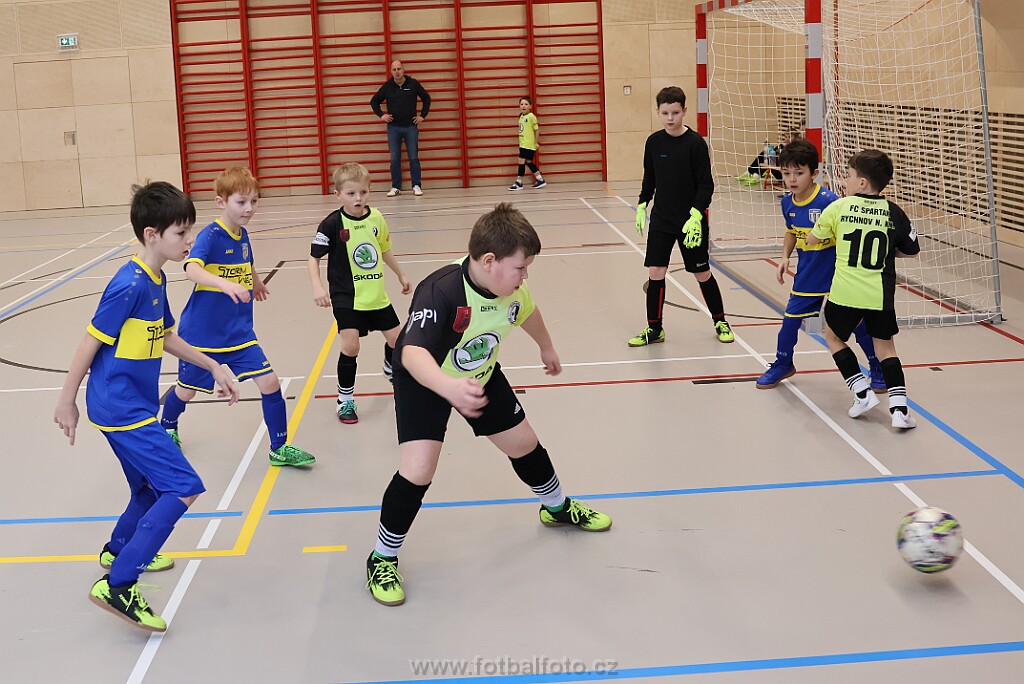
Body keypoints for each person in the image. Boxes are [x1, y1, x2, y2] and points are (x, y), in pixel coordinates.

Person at [364, 202, 612, 607]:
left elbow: (527, 311)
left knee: (524, 443)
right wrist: (448, 387)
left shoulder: (511, 288)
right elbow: (412, 353)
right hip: (426, 379)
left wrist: (546, 346)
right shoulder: (441, 291)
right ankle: (381, 558)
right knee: (418, 470)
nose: (525, 276)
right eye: (521, 268)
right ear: (489, 260)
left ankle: (556, 507)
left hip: (477, 372)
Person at [53, 182, 240, 632]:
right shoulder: (129, 284)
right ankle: (119, 584)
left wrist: (212, 365)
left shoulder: (156, 278)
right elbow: (89, 342)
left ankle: (117, 551)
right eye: (181, 233)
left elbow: (166, 336)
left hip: (130, 404)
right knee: (183, 486)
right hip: (120, 408)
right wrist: (66, 399)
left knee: (147, 490)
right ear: (152, 235)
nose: (189, 240)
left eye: (190, 230)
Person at [159, 167, 315, 467]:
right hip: (202, 335)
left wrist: (255, 282)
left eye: (254, 201)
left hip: (239, 333)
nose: (249, 208)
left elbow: (247, 262)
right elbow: (191, 268)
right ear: (221, 202)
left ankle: (279, 447)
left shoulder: (242, 235)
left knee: (270, 382)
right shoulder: (210, 235)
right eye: (241, 202)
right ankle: (167, 427)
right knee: (187, 391)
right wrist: (223, 284)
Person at [756, 139, 885, 391]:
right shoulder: (787, 203)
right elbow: (791, 231)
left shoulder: (829, 201)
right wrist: (784, 257)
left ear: (814, 173)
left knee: (857, 323)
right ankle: (783, 364)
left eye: (799, 173)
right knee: (789, 322)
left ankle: (877, 366)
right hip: (808, 273)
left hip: (837, 275)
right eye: (786, 173)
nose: (792, 179)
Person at [807, 149, 921, 429]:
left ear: (862, 182)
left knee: (832, 336)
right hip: (879, 294)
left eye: (848, 176)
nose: (845, 181)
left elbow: (812, 240)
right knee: (886, 348)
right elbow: (911, 250)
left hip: (844, 293)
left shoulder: (839, 207)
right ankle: (899, 410)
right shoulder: (894, 212)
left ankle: (861, 391)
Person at [308, 162, 412, 424]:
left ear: (369, 190)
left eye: (363, 192)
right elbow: (313, 257)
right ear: (338, 194)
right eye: (351, 193)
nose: (358, 198)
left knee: (398, 341)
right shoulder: (331, 224)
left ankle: (389, 366)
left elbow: (385, 249)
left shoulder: (376, 218)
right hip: (346, 297)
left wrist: (400, 274)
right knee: (351, 346)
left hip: (376, 295)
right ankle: (345, 399)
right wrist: (318, 286)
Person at [630, 86, 734, 347]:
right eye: (665, 113)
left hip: (691, 222)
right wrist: (642, 204)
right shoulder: (653, 142)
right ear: (658, 111)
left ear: (684, 111)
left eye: (675, 113)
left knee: (701, 272)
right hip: (662, 219)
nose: (670, 118)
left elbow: (706, 185)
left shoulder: (695, 144)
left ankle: (720, 321)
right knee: (656, 271)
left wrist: (696, 214)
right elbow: (650, 178)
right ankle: (655, 329)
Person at [370, 60, 431, 197]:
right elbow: (374, 101)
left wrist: (422, 116)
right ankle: (396, 187)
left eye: (399, 69)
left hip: (410, 127)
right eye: (394, 69)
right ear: (391, 72)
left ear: (403, 70)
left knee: (413, 157)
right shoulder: (387, 86)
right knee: (395, 158)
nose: (397, 72)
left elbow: (426, 98)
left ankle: (416, 185)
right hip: (394, 127)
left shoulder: (413, 84)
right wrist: (382, 115)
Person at [508, 96, 546, 191]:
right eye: (521, 104)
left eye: (526, 104)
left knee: (521, 160)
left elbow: (537, 130)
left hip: (528, 144)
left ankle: (519, 182)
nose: (523, 106)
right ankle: (540, 179)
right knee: (528, 161)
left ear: (530, 106)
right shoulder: (521, 116)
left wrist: (535, 142)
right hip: (522, 143)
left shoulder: (531, 116)